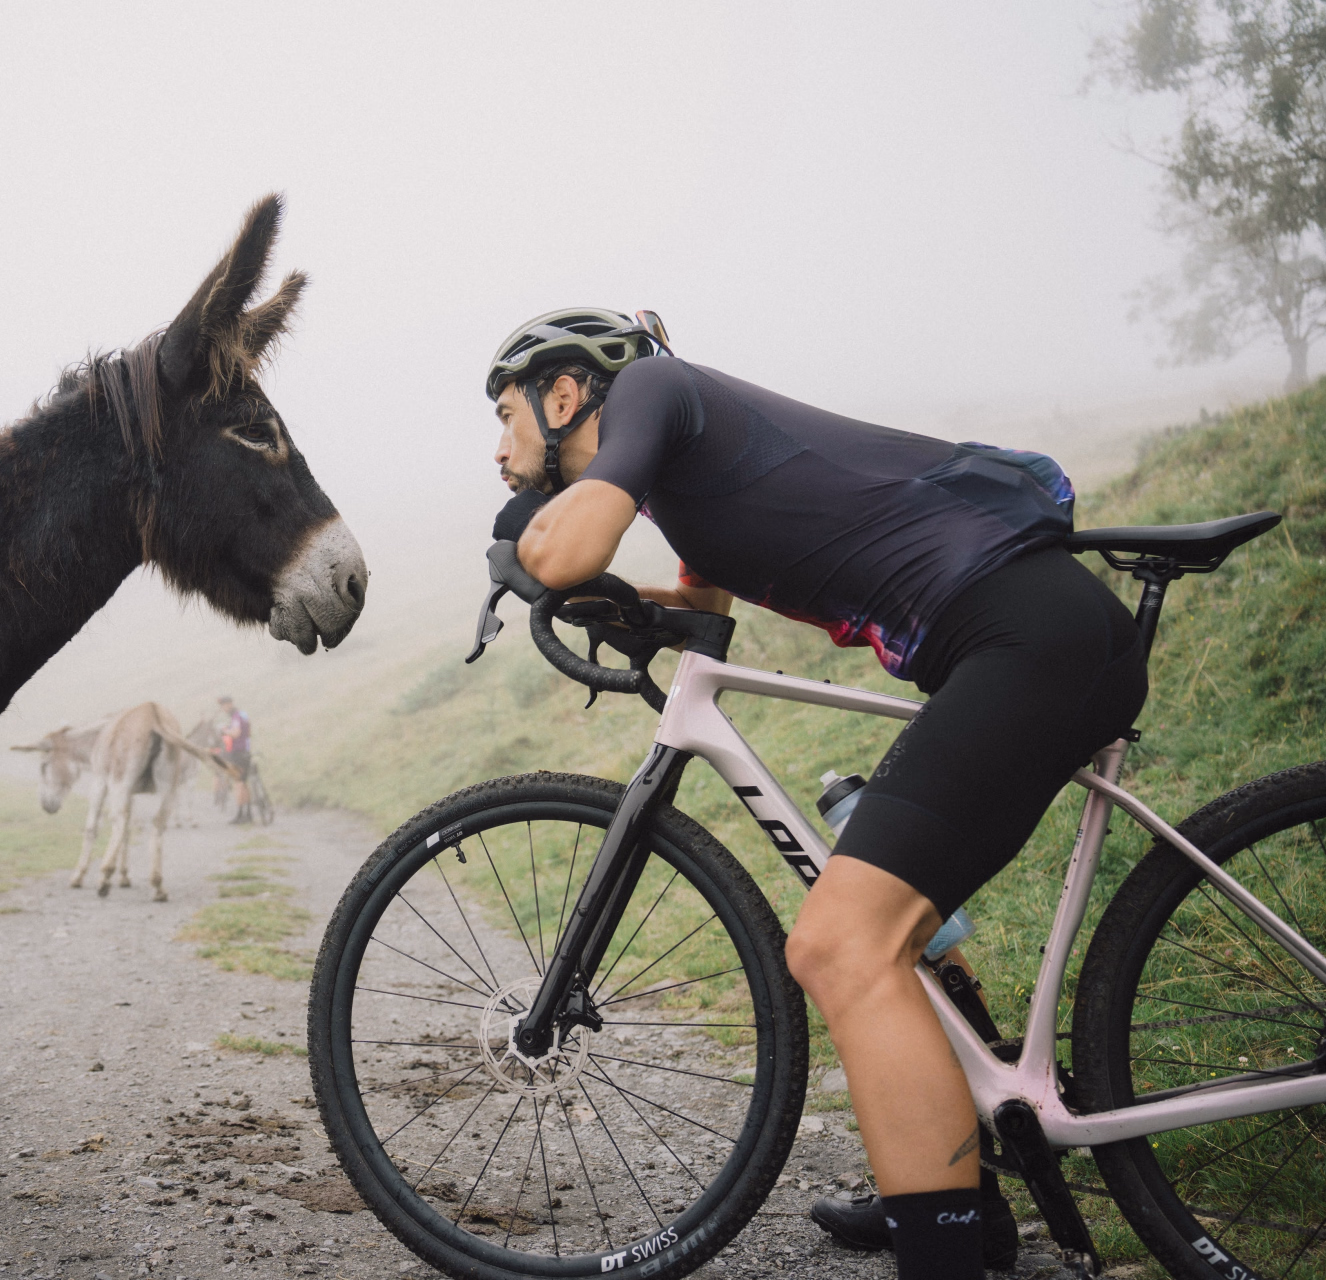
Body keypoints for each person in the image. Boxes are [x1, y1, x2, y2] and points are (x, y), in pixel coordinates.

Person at [485, 309, 1146, 1279]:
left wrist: (518, 549)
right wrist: (635, 615)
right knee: (877, 931)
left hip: (1028, 634)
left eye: (506, 416)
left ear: (566, 393)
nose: (499, 449)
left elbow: (562, 549)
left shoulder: (655, 394)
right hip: (1019, 637)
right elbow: (702, 612)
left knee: (841, 941)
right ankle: (948, 1185)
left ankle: (947, 1253)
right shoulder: (677, 476)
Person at [217, 695, 254, 825]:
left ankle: (240, 815)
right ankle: (248, 813)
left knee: (238, 784)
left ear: (229, 704)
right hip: (246, 751)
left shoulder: (236, 716)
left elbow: (236, 733)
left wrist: (225, 731)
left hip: (238, 753)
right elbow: (248, 732)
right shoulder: (243, 714)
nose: (223, 708)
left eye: (223, 706)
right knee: (244, 783)